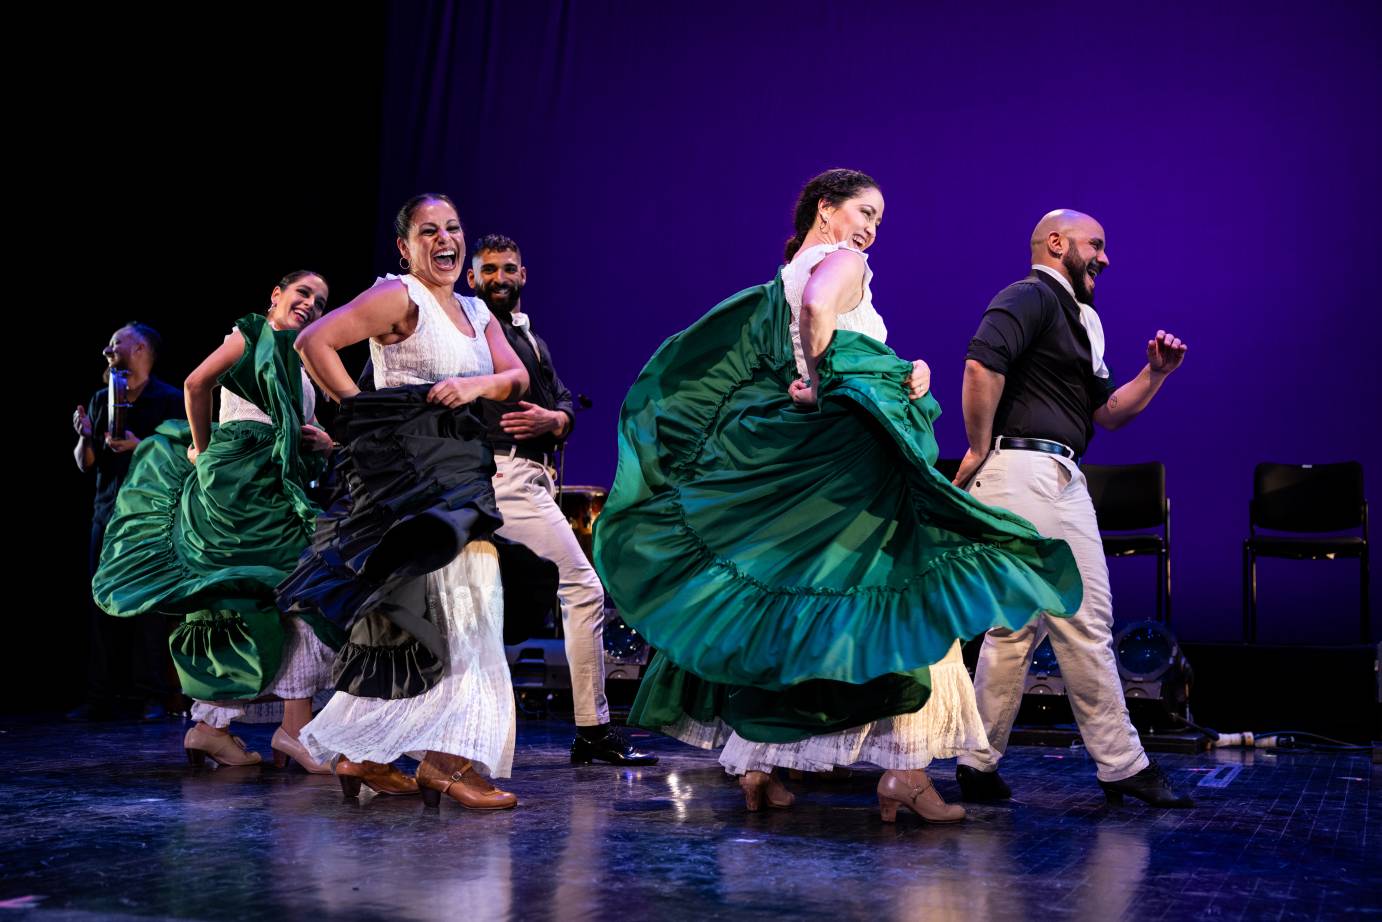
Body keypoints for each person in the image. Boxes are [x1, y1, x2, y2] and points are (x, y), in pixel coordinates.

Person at [593, 170, 1083, 822]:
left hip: (801, 467)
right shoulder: (841, 261)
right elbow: (823, 313)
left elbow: (799, 346)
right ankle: (907, 773)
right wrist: (828, 379)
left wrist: (894, 374)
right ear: (826, 210)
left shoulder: (779, 280)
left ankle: (754, 767)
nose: (872, 229)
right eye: (864, 211)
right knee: (911, 596)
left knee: (788, 611)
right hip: (848, 465)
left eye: (879, 220)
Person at [285, 193, 531, 809]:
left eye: (453, 228)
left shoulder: (477, 310)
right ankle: (444, 764)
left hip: (461, 466)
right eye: (429, 231)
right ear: (406, 246)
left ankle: (363, 754)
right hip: (412, 476)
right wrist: (364, 413)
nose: (445, 240)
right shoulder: (400, 295)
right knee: (443, 610)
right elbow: (313, 341)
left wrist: (475, 384)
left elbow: (516, 378)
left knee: (454, 609)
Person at [953, 208, 1193, 808]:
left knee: (1015, 630)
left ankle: (976, 763)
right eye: (1097, 245)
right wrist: (980, 447)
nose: (1105, 258)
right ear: (1057, 244)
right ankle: (1122, 764)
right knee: (1084, 618)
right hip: (1027, 473)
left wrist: (1155, 374)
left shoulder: (1083, 320)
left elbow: (1105, 413)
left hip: (1051, 471)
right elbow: (981, 363)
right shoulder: (1030, 296)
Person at [92, 272, 342, 770]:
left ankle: (217, 728)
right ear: (276, 295)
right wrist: (205, 452)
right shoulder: (249, 334)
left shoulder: (302, 358)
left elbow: (294, 426)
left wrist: (321, 442)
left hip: (274, 487)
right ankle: (280, 731)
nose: (311, 305)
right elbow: (195, 383)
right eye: (302, 294)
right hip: (240, 488)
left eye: (320, 302)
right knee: (285, 591)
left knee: (275, 596)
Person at [467, 233, 656, 767]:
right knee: (580, 588)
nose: (499, 278)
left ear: (523, 275)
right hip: (499, 475)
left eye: (508, 268)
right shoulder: (472, 334)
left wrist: (557, 420)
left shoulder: (531, 338)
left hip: (527, 478)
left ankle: (483, 731)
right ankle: (591, 729)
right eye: (488, 270)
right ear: (472, 278)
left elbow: (562, 399)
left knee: (499, 603)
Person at [72, 322, 185, 721]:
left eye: (116, 341)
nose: (109, 347)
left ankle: (152, 696)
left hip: (149, 516)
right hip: (107, 512)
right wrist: (86, 437)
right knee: (100, 604)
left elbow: (183, 458)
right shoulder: (103, 396)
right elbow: (86, 464)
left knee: (149, 610)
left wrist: (143, 446)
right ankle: (99, 696)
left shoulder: (170, 399)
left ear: (139, 348)